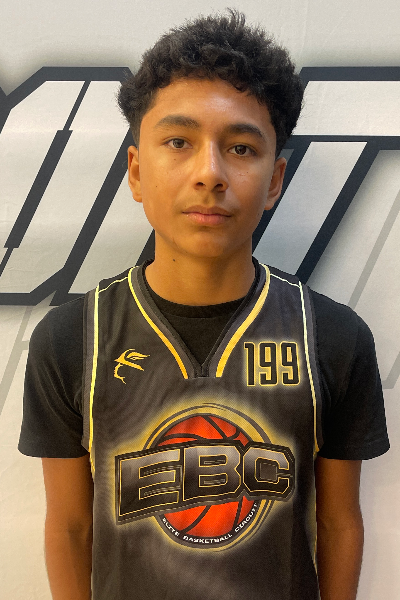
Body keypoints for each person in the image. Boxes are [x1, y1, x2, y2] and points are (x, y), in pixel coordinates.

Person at [18, 9, 389, 600]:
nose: (209, 173)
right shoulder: (71, 340)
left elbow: (340, 523)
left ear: (275, 179)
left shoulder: (333, 337)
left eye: (240, 147)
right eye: (178, 142)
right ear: (136, 171)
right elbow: (70, 528)